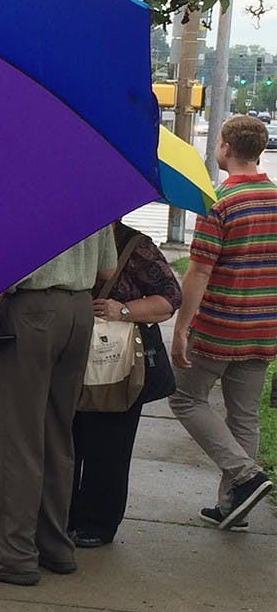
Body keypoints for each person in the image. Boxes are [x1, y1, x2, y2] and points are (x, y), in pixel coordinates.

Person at [0, 227, 117, 586]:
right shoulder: (94, 181)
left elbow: (8, 264)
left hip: (31, 310)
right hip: (78, 310)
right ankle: (53, 544)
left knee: (16, 435)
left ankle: (13, 553)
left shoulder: (27, 180)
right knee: (57, 432)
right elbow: (108, 268)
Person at [169, 114, 277, 531]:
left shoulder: (220, 203)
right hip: (263, 330)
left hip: (219, 328)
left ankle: (246, 476)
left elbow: (198, 272)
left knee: (185, 399)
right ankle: (233, 503)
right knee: (243, 418)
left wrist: (182, 327)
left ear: (225, 148)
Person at [68, 220, 181, 547]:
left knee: (110, 445)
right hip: (71, 359)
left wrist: (125, 310)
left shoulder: (135, 246)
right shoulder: (67, 237)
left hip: (115, 366)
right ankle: (64, 515)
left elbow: (171, 298)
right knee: (67, 440)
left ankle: (98, 523)